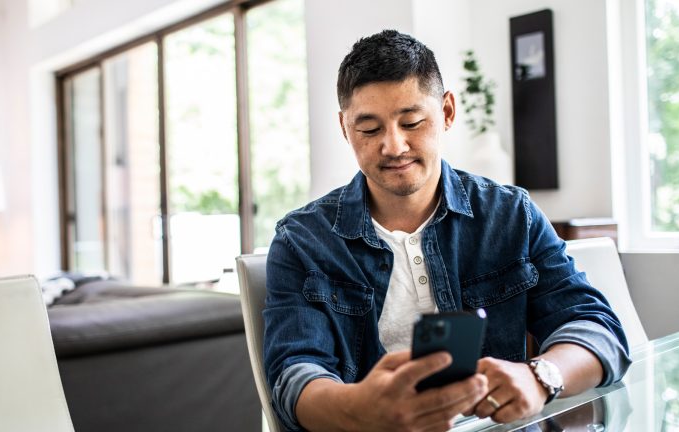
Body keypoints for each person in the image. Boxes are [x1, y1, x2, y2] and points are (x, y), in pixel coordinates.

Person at [263, 29, 631, 432]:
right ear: (344, 128)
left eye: (412, 122)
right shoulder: (303, 240)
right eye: (369, 129)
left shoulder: (509, 215)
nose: (394, 145)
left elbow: (599, 330)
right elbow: (293, 376)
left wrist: (540, 377)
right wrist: (358, 409)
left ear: (448, 112)